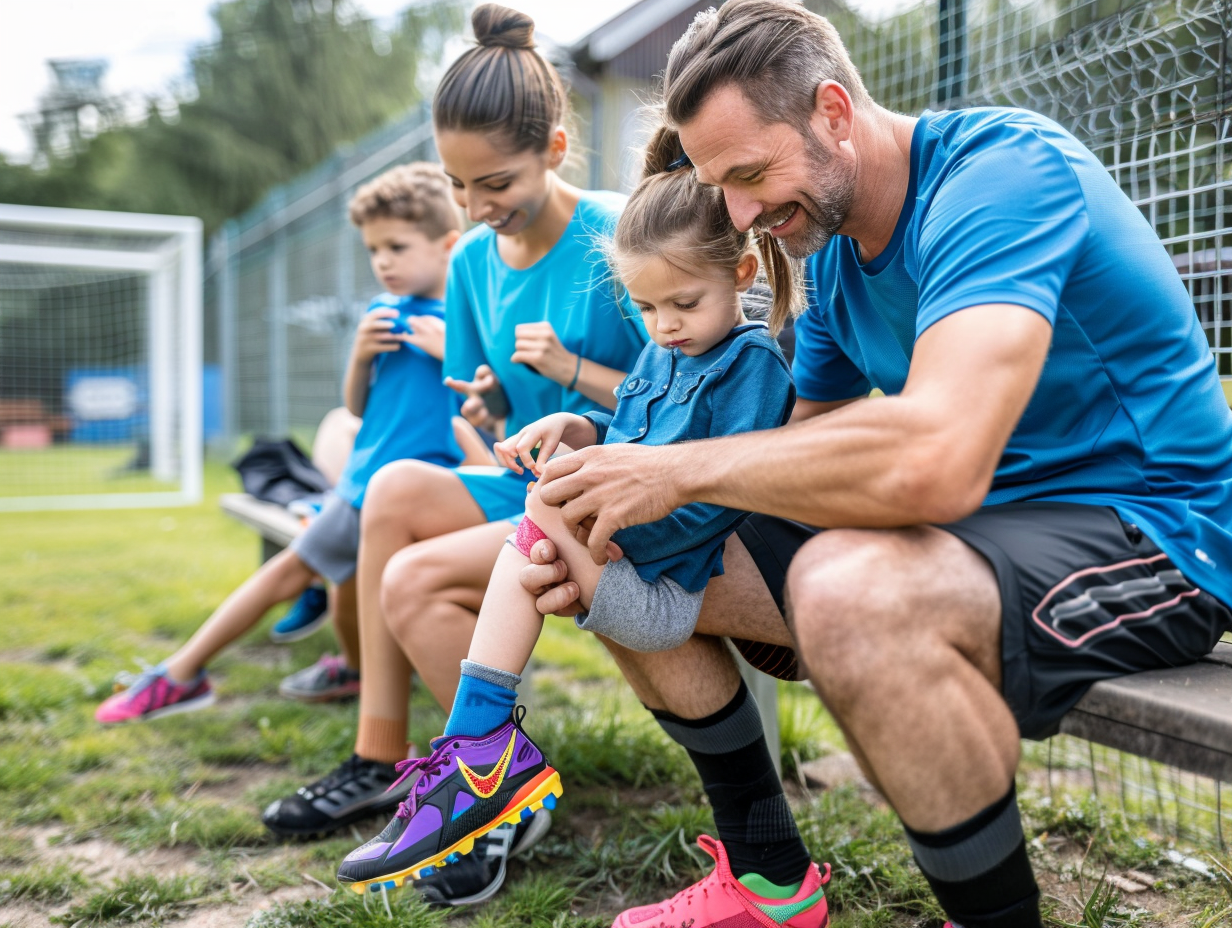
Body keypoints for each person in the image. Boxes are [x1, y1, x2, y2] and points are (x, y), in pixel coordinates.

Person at [515, 1, 1232, 926]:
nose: (739, 216)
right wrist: (622, 462)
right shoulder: (839, 264)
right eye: (716, 187)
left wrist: (678, 472)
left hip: (1154, 535)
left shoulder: (1001, 176)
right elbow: (793, 452)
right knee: (615, 530)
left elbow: (935, 459)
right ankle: (767, 880)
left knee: (846, 588)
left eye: (749, 174)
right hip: (982, 539)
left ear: (834, 115)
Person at [334, 126, 834, 919]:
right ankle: (479, 750)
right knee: (544, 503)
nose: (664, 325)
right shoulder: (664, 356)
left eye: (683, 303)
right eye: (645, 307)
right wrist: (584, 435)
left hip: (670, 585)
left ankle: (480, 751)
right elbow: (642, 446)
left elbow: (716, 498)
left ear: (741, 273)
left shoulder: (749, 363)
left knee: (544, 511)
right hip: (642, 575)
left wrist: (600, 526)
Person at [260, 5, 648, 900]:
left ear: (556, 146)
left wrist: (575, 370)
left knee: (410, 580)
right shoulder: (473, 260)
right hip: (526, 486)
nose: (474, 210)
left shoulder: (618, 233)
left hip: (611, 495)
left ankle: (503, 794)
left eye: (493, 183)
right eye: (457, 186)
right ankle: (379, 755)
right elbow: (488, 403)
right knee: (393, 485)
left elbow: (690, 397)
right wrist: (492, 400)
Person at [94, 162, 470, 728]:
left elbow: (482, 407)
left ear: (447, 244)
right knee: (326, 583)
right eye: (373, 250)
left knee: (290, 576)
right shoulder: (382, 314)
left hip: (407, 491)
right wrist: (361, 355)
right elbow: (359, 407)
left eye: (397, 246)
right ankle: (333, 669)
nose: (383, 262)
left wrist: (454, 355)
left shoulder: (462, 323)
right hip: (361, 483)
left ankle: (182, 674)